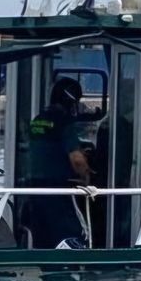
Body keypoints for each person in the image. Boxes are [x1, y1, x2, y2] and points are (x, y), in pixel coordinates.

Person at [23, 76, 94, 247]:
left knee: (43, 234)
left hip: (34, 186)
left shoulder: (38, 119)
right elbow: (77, 159)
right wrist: (86, 176)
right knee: (71, 233)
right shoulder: (63, 122)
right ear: (71, 101)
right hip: (58, 187)